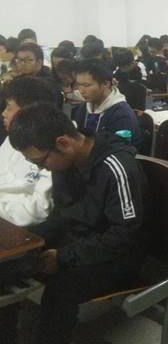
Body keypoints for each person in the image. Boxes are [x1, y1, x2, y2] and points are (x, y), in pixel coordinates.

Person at [7, 103, 148, 344]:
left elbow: (124, 235)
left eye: (41, 162)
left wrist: (63, 257)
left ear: (63, 143)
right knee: (11, 259)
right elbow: (61, 217)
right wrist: (30, 240)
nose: (41, 168)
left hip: (118, 256)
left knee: (60, 289)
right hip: (81, 242)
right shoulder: (65, 162)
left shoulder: (117, 167)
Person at [0, 77, 58, 226]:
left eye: (9, 108)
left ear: (28, 111)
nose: (4, 113)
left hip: (22, 228)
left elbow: (37, 211)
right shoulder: (14, 137)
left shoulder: (53, 149)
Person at [74, 59, 143, 148]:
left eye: (86, 85)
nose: (81, 91)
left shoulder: (121, 115)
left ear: (105, 84)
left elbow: (119, 151)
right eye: (79, 85)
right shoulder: (84, 107)